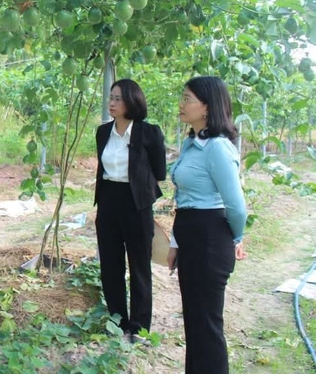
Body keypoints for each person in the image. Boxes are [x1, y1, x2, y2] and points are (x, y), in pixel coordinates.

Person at [167, 76, 248, 374]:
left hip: (210, 237)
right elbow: (184, 197)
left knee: (207, 325)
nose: (181, 104)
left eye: (187, 98)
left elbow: (236, 205)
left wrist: (236, 237)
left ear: (207, 107)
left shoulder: (217, 148)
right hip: (190, 233)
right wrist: (176, 243)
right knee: (195, 322)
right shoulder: (192, 143)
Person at [94, 79, 166, 343]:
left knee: (139, 266)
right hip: (108, 200)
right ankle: (117, 320)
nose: (111, 103)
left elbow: (159, 172)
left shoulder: (149, 133)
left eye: (117, 99)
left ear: (132, 102)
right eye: (110, 98)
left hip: (137, 202)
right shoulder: (103, 133)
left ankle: (138, 326)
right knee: (110, 265)